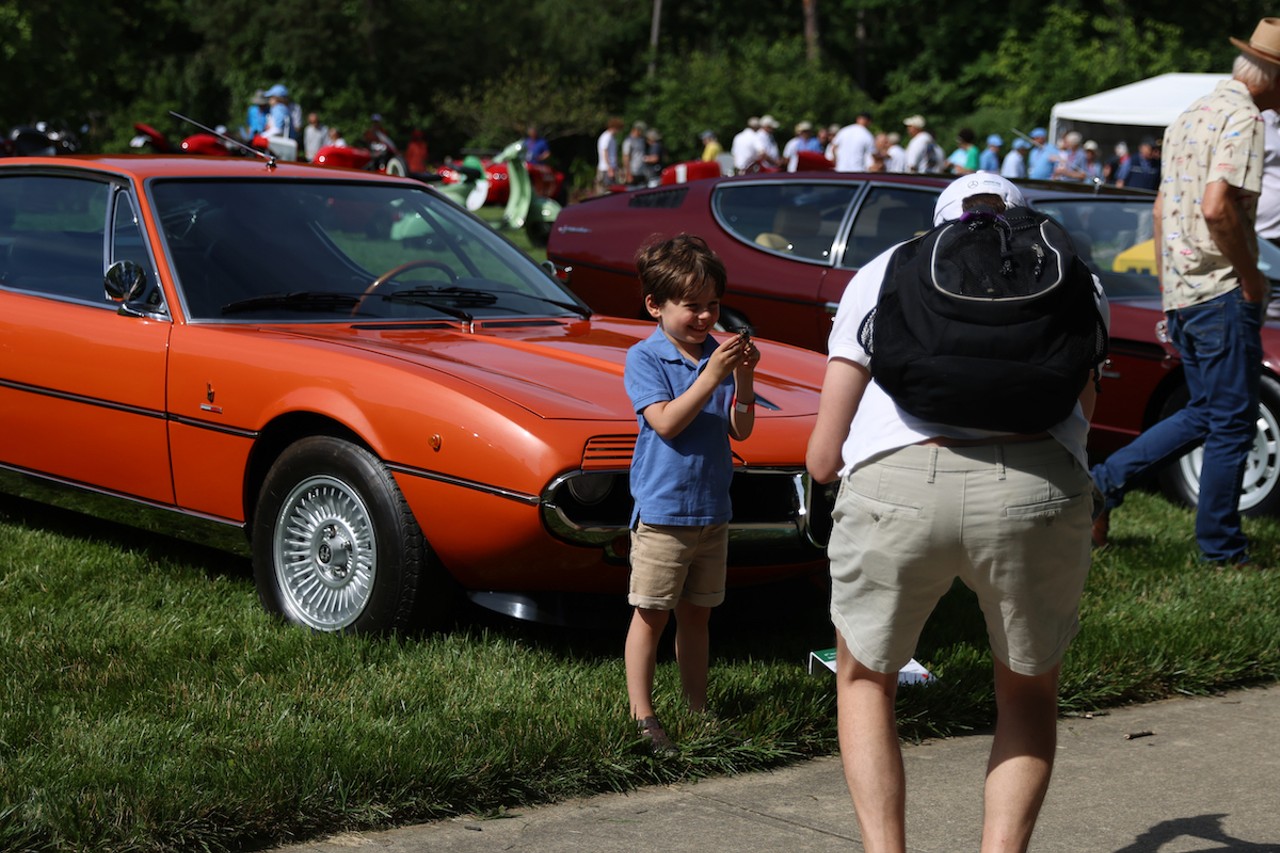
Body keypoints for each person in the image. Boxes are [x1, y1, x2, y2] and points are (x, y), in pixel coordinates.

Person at [806, 172, 1107, 852]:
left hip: (897, 488)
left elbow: (824, 456)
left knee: (865, 678)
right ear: (1026, 222)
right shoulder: (1074, 277)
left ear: (939, 226)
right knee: (1027, 693)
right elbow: (1079, 419)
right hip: (1036, 492)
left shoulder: (885, 269)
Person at [1091, 19, 1280, 567]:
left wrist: (1170, 290)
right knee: (1232, 423)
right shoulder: (1244, 118)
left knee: (1206, 412)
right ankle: (1221, 548)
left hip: (1184, 292)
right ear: (1271, 77)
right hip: (1221, 292)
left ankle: (1100, 485)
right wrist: (1251, 276)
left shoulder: (1190, 114)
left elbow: (1158, 210)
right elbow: (1217, 206)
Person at [623, 233, 759, 755]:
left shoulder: (717, 358)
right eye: (692, 307)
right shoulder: (647, 358)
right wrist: (713, 375)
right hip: (663, 512)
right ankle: (643, 715)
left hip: (711, 510)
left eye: (714, 306)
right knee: (652, 611)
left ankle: (696, 708)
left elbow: (740, 431)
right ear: (655, 305)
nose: (705, 318)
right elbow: (667, 423)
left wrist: (743, 381)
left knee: (698, 612)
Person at [596, 117, 624, 192]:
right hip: (606, 168)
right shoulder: (606, 137)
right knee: (607, 190)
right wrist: (609, 168)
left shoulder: (612, 138)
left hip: (611, 167)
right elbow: (605, 152)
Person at [622, 121, 648, 186]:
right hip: (633, 172)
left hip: (642, 171)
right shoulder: (628, 141)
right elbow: (626, 157)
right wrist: (628, 173)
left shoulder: (641, 140)